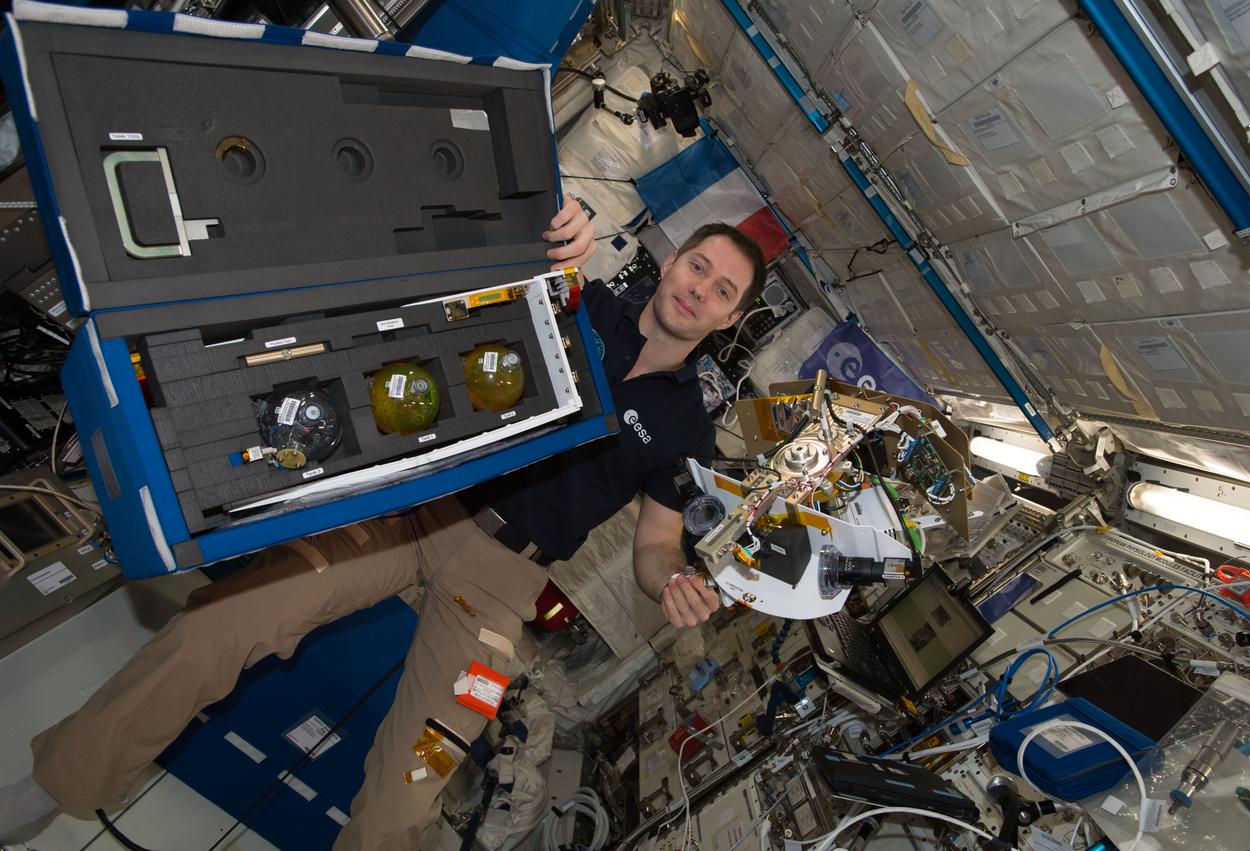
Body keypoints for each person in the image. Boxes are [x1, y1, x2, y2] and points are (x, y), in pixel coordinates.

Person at [0, 199, 768, 849]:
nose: (699, 289)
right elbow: (491, 264)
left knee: (414, 781)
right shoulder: (576, 300)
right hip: (414, 510)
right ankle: (60, 780)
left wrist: (671, 578)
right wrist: (549, 226)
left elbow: (656, 542)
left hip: (502, 584)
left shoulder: (687, 427)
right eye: (697, 266)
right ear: (671, 261)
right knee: (219, 628)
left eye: (721, 290)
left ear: (730, 317)